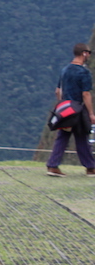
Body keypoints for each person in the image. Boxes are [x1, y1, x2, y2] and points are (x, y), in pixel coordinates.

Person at [46, 43, 95, 177]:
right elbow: (86, 94)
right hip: (78, 109)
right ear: (84, 53)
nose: (90, 55)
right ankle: (91, 167)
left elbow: (58, 91)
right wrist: (91, 113)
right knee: (82, 136)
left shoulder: (65, 70)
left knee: (64, 136)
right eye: (89, 53)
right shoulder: (83, 72)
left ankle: (52, 165)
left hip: (66, 108)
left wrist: (62, 105)